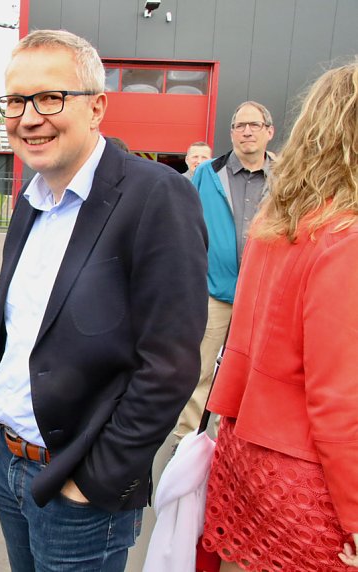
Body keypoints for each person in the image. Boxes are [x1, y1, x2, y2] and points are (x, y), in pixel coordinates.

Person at [0, 30, 208, 571]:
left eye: (51, 97)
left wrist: (96, 480)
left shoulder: (156, 196)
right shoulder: (31, 201)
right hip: (8, 466)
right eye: (15, 100)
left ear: (97, 106)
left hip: (78, 487)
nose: (29, 117)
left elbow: (168, 365)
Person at [201, 60, 358, 572]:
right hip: (313, 478)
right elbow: (341, 399)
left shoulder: (281, 217)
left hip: (247, 449)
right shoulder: (344, 236)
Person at [173, 102, 275, 441]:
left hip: (263, 295)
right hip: (214, 292)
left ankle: (227, 442)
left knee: (250, 373)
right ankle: (187, 441)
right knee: (198, 370)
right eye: (240, 125)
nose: (247, 131)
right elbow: (186, 225)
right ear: (231, 133)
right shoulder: (207, 173)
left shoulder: (286, 175)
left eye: (254, 125)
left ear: (269, 132)